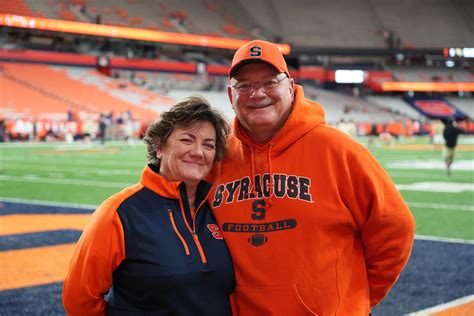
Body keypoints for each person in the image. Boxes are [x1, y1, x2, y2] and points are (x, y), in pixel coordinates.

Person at [209, 40, 415, 315]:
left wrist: (353, 299)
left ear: (291, 87)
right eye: (243, 86)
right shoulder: (217, 159)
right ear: (229, 95)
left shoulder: (339, 150)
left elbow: (394, 228)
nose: (257, 93)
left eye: (270, 82)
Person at [63, 96, 235, 315]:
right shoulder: (120, 212)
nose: (198, 152)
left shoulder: (216, 208)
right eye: (186, 140)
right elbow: (79, 299)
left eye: (208, 145)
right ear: (159, 146)